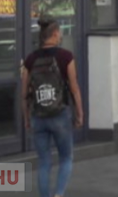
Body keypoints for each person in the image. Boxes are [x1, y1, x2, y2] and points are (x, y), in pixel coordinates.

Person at [21, 19, 83, 197]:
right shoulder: (66, 57)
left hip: (38, 116)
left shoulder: (30, 59)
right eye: (60, 32)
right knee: (66, 157)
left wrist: (26, 118)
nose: (61, 35)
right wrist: (80, 113)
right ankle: (59, 194)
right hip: (60, 115)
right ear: (55, 34)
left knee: (44, 162)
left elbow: (24, 94)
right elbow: (74, 88)